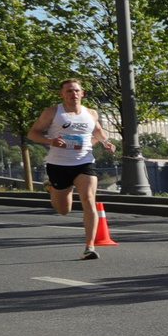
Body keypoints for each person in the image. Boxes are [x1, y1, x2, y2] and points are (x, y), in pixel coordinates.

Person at [28, 77, 102, 258]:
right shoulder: (53, 112)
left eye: (76, 90)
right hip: (58, 164)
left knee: (89, 199)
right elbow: (32, 133)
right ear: (62, 94)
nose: (73, 94)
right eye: (69, 91)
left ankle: (89, 247)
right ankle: (52, 188)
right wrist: (50, 141)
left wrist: (99, 143)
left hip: (85, 162)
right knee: (64, 210)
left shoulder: (91, 113)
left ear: (82, 93)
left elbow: (98, 132)